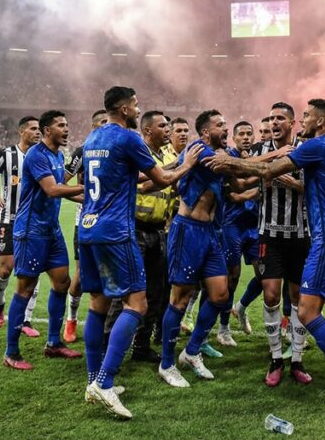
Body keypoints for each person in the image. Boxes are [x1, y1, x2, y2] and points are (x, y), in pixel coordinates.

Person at [206, 99, 325, 416]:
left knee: (307, 312)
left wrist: (230, 163)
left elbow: (267, 169)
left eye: (306, 115)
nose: (302, 120)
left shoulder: (318, 145)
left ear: (320, 121)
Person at [79, 86, 202, 419]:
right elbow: (161, 179)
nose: (137, 108)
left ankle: (93, 380)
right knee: (138, 303)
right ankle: (104, 383)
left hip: (87, 228)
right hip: (116, 231)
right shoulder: (128, 137)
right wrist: (188, 163)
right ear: (123, 109)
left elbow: (128, 180)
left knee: (97, 304)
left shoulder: (92, 139)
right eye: (135, 105)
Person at [157, 110, 256, 387]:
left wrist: (263, 180)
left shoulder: (219, 155)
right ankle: (166, 364)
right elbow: (240, 169)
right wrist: (278, 158)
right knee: (180, 297)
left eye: (226, 124)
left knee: (220, 294)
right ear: (204, 132)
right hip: (187, 230)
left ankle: (191, 351)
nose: (225, 129)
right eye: (220, 125)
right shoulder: (199, 149)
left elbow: (239, 182)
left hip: (211, 233)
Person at [3, 111, 84, 371]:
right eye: (61, 125)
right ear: (47, 130)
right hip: (30, 231)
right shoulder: (37, 155)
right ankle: (11, 352)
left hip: (51, 231)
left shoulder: (59, 155)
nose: (67, 129)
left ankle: (53, 343)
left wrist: (92, 202)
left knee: (62, 282)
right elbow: (52, 189)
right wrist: (91, 188)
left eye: (67, 124)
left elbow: (61, 189)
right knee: (25, 289)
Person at [251, 102, 312, 387]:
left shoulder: (306, 149)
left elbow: (314, 188)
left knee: (299, 299)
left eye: (280, 118)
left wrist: (286, 180)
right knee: (271, 295)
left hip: (300, 236)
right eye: (271, 118)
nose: (274, 122)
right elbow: (247, 179)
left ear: (292, 122)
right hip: (269, 236)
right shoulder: (259, 151)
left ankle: (297, 359)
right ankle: (275, 358)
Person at [0, 116, 42, 333]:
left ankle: (26, 319)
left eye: (39, 129)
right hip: (9, 219)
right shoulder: (7, 155)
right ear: (22, 131)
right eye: (33, 129)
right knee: (6, 270)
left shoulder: (42, 155)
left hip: (34, 222)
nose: (38, 132)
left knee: (33, 270)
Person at [127, 110, 177, 361]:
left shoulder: (170, 153)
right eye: (163, 126)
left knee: (156, 292)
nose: (168, 130)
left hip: (159, 231)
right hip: (136, 229)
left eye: (168, 126)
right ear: (147, 131)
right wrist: (176, 168)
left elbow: (173, 184)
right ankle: (109, 346)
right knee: (129, 291)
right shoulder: (137, 152)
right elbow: (144, 185)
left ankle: (141, 346)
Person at [62, 109, 108, 344]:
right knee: (81, 276)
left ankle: (106, 322)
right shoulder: (82, 151)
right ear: (93, 127)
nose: (106, 126)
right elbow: (61, 183)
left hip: (112, 222)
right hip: (86, 221)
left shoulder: (118, 149)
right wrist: (87, 200)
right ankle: (70, 320)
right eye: (102, 122)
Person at [219, 121, 260, 344]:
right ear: (234, 138)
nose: (245, 137)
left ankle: (241, 307)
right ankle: (223, 328)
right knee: (231, 277)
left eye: (249, 133)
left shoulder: (258, 158)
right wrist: (253, 193)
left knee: (264, 277)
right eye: (241, 134)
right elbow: (231, 195)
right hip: (232, 225)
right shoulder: (228, 158)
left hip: (254, 226)